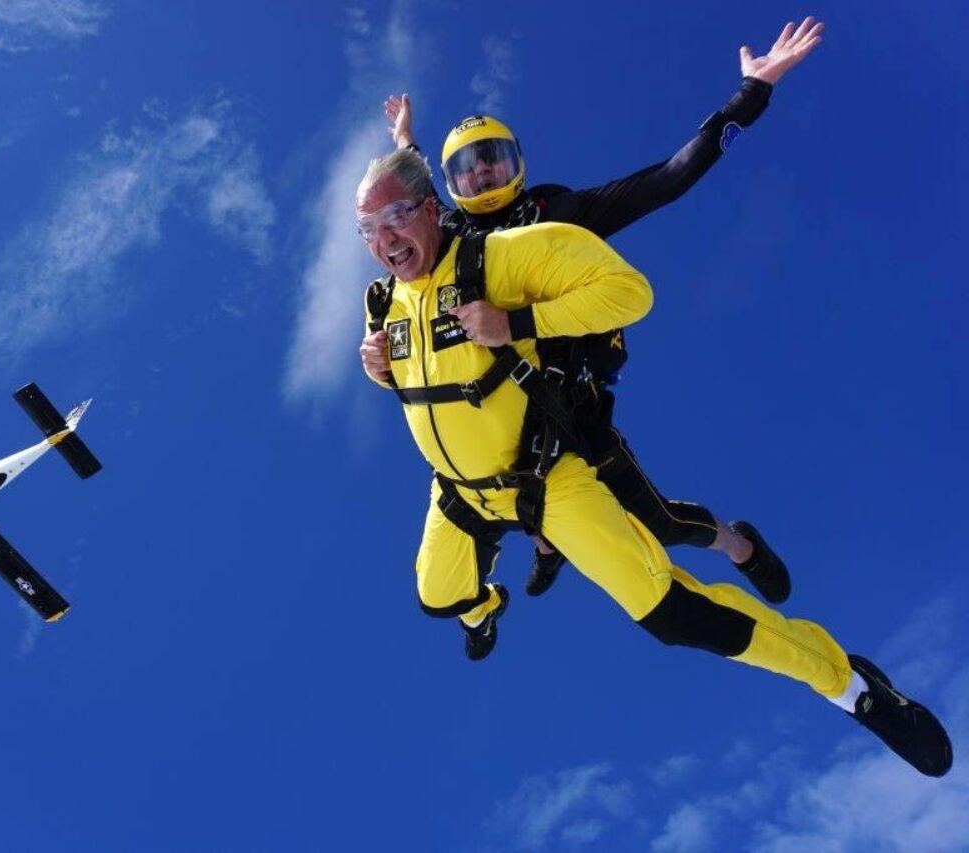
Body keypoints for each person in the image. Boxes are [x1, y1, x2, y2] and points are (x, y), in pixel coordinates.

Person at [354, 147, 952, 778]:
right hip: (458, 495)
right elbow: (433, 380)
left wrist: (518, 321)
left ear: (430, 208)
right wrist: (379, 370)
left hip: (544, 479)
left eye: (394, 217)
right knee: (438, 596)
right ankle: (484, 610)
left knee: (670, 611)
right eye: (367, 228)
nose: (383, 239)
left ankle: (848, 681)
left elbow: (629, 293)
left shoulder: (500, 256)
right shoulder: (384, 301)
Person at [377, 18, 824, 602]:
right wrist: (404, 144)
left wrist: (752, 92)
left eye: (494, 159)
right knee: (509, 492)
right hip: (500, 412)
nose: (484, 173)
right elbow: (414, 198)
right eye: (469, 167)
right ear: (453, 186)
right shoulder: (449, 230)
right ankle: (546, 546)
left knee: (657, 522)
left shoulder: (560, 212)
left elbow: (668, 178)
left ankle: (739, 544)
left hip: (570, 402)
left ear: (518, 163)